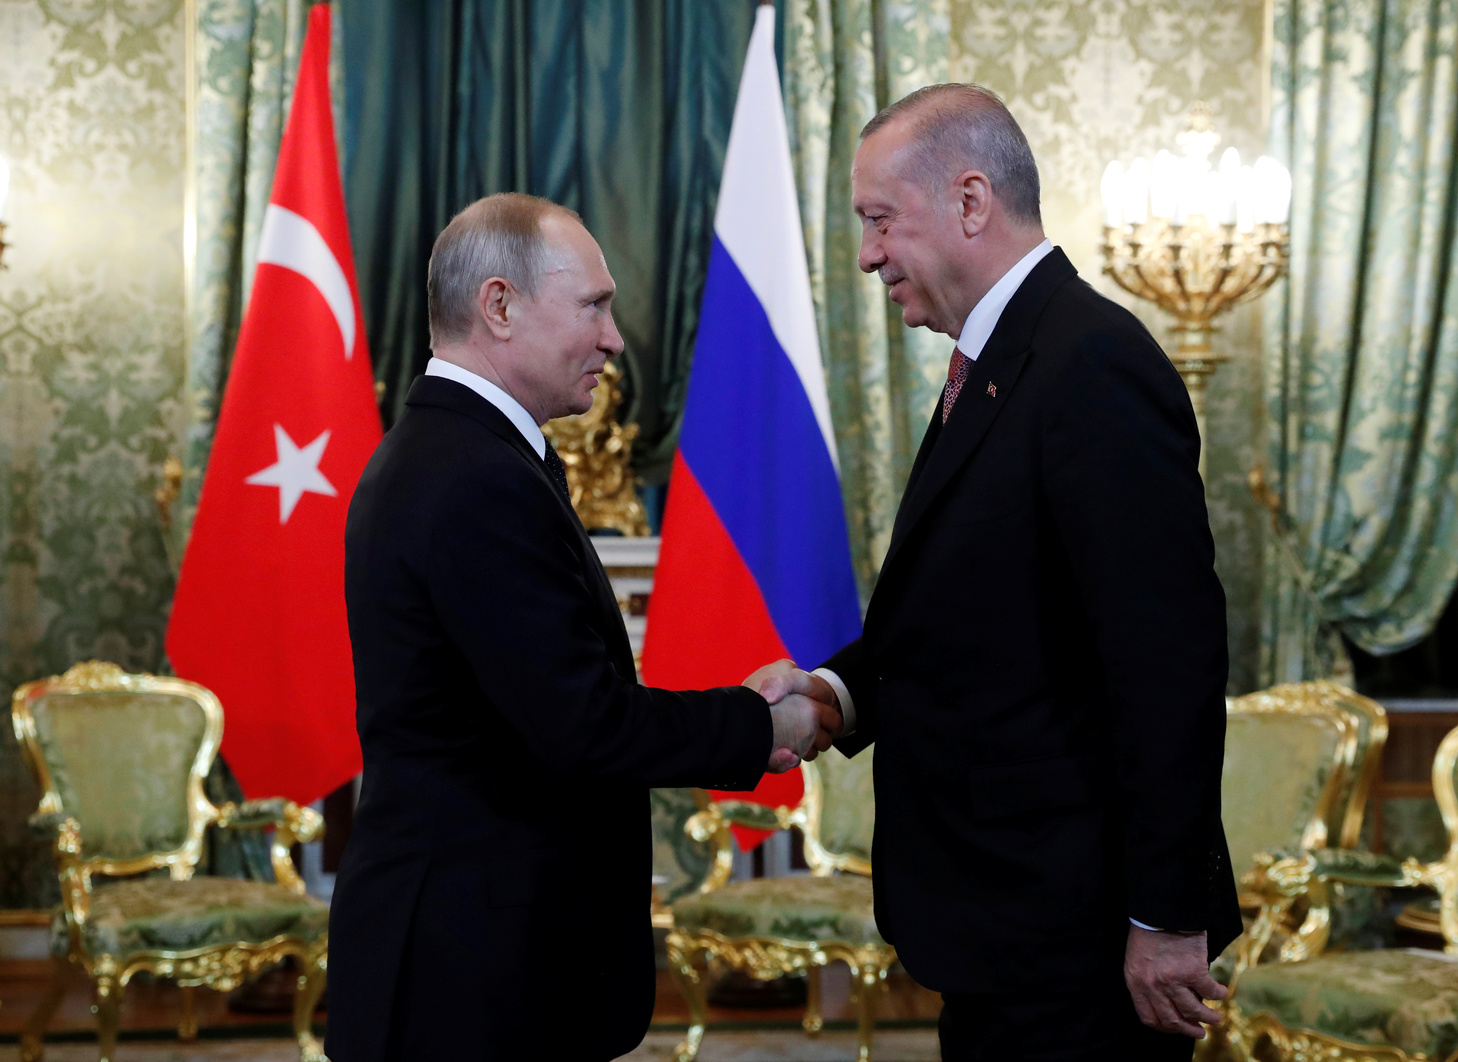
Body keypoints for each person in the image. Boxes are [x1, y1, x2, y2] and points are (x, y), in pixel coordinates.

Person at [751, 84, 1243, 1060]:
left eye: (880, 219)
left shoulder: (1091, 363)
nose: (866, 254)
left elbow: (1167, 667)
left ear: (971, 203)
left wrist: (1164, 918)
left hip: (1080, 937)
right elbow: (964, 623)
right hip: (1004, 925)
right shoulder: (1000, 364)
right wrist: (836, 696)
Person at [326, 193, 839, 1061]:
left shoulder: (457, 453)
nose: (615, 337)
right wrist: (766, 725)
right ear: (499, 306)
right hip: (470, 977)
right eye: (594, 306)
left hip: (472, 951)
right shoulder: (474, 478)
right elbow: (584, 725)